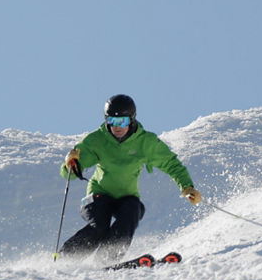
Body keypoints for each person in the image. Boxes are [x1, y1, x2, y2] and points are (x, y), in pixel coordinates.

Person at [58, 94, 202, 262]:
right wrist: (71, 164)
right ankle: (65, 258)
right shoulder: (97, 140)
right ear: (107, 120)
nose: (117, 127)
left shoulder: (145, 143)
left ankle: (106, 259)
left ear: (132, 120)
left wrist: (187, 186)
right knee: (99, 228)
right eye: (112, 121)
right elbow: (69, 172)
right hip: (99, 196)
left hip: (127, 197)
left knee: (129, 216)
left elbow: (171, 164)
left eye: (123, 122)